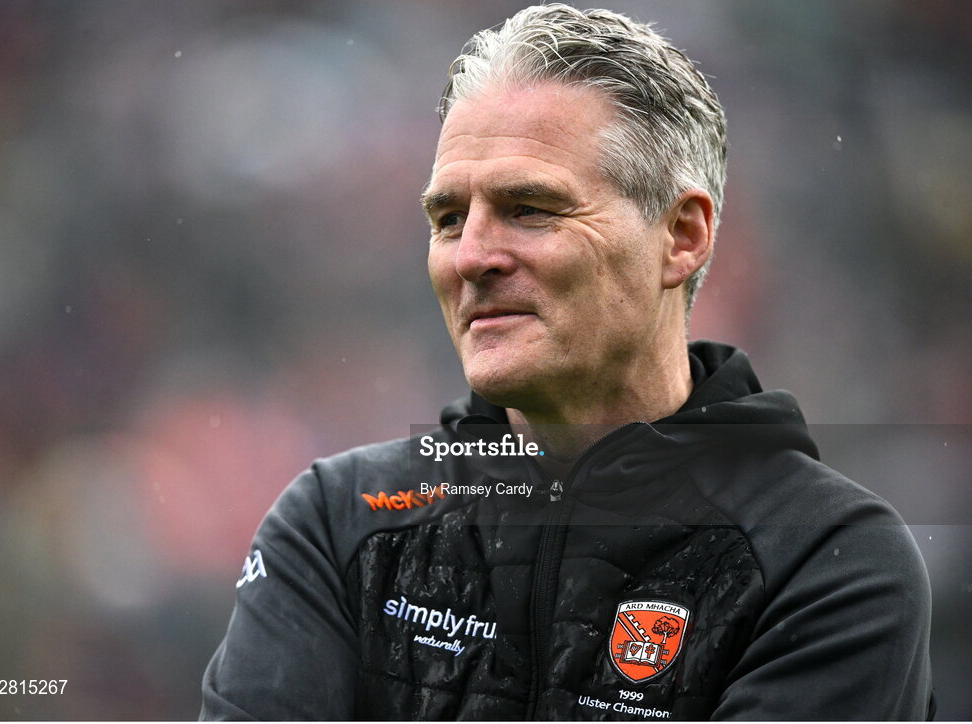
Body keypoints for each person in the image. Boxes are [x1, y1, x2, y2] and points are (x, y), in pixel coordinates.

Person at [200, 4, 933, 720]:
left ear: (682, 237)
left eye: (531, 208)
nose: (473, 257)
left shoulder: (827, 562)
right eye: (449, 218)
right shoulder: (338, 523)